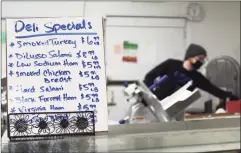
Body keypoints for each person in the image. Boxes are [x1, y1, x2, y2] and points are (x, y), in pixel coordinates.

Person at [144, 43, 239, 105]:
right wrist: (149, 95)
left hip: (173, 109)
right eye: (200, 58)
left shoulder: (197, 77)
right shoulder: (171, 64)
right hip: (156, 103)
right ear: (191, 57)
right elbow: (149, 76)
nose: (202, 62)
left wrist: (234, 98)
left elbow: (214, 90)